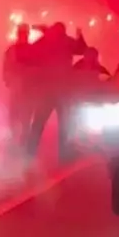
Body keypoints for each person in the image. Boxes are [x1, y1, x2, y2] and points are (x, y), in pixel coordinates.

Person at [25, 22, 79, 158]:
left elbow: (31, 53)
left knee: (39, 123)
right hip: (60, 89)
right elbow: (81, 49)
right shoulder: (66, 41)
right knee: (64, 124)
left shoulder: (45, 41)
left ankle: (30, 152)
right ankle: (64, 154)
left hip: (49, 89)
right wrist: (80, 36)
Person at [3, 23, 36, 149]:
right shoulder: (14, 50)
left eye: (24, 33)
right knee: (17, 113)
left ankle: (21, 139)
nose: (23, 36)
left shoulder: (28, 49)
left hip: (24, 85)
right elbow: (7, 66)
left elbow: (7, 67)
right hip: (19, 84)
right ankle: (17, 138)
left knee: (23, 113)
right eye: (22, 33)